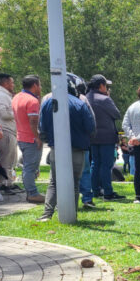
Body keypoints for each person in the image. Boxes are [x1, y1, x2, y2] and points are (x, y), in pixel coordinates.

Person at [36, 77, 96, 221]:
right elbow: (91, 127)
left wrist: (50, 142)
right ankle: (71, 214)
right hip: (77, 148)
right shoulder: (79, 104)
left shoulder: (47, 103)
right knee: (75, 182)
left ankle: (47, 214)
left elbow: (41, 128)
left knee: (54, 182)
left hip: (56, 148)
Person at [86, 74, 123, 201]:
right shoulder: (105, 99)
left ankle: (95, 190)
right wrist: (108, 97)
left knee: (94, 163)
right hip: (106, 137)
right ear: (101, 85)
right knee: (106, 165)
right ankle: (108, 191)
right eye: (106, 85)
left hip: (92, 137)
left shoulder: (86, 98)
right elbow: (117, 114)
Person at [13, 75, 44, 203]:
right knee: (30, 167)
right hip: (31, 138)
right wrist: (37, 137)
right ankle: (32, 193)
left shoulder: (16, 97)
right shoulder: (32, 101)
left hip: (21, 136)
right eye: (40, 85)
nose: (41, 87)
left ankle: (31, 192)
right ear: (35, 85)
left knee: (28, 166)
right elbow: (33, 120)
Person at [0, 73, 20, 192]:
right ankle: (5, 184)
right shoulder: (0, 95)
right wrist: (18, 112)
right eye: (12, 82)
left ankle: (8, 182)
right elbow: (5, 114)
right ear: (5, 83)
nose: (13, 85)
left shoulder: (2, 95)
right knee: (7, 160)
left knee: (11, 159)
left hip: (7, 130)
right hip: (5, 131)